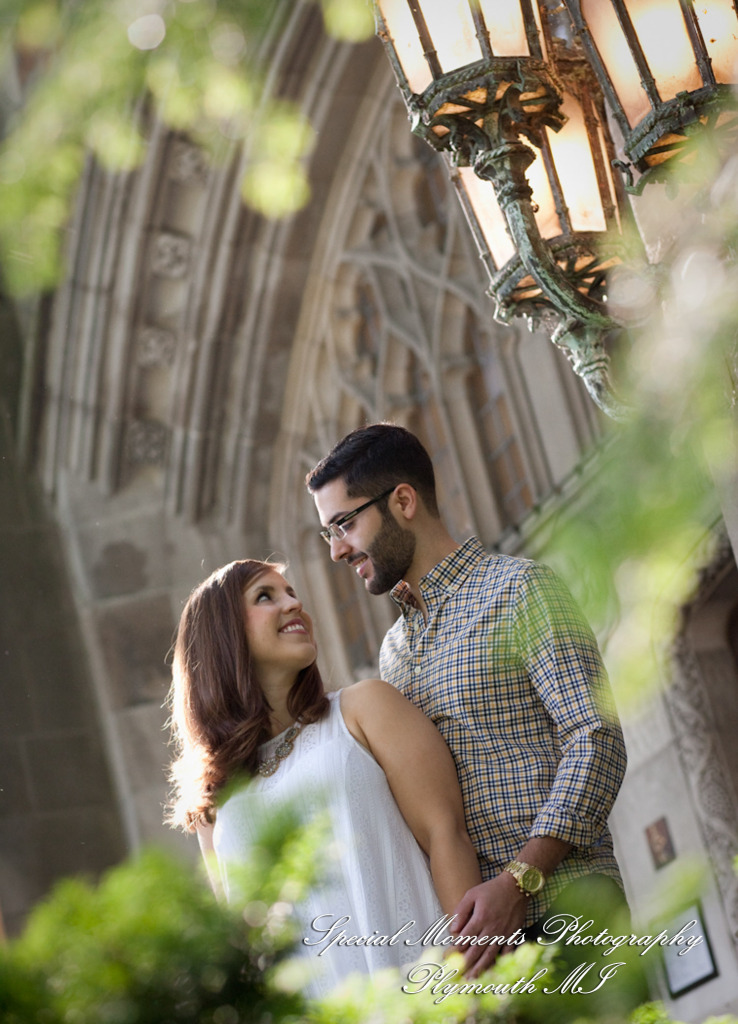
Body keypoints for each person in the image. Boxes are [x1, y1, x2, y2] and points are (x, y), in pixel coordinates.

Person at [306, 423, 631, 984]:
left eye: (344, 523)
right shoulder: (394, 655)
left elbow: (596, 738)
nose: (336, 550)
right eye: (326, 534)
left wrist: (518, 882)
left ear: (403, 501)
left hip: (569, 911)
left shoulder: (520, 589)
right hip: (478, 948)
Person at [165, 558, 481, 997]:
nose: (294, 604)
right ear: (223, 637)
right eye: (266, 596)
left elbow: (447, 836)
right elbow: (247, 944)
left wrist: (476, 979)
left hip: (428, 996)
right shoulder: (214, 801)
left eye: (292, 592)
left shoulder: (364, 708)